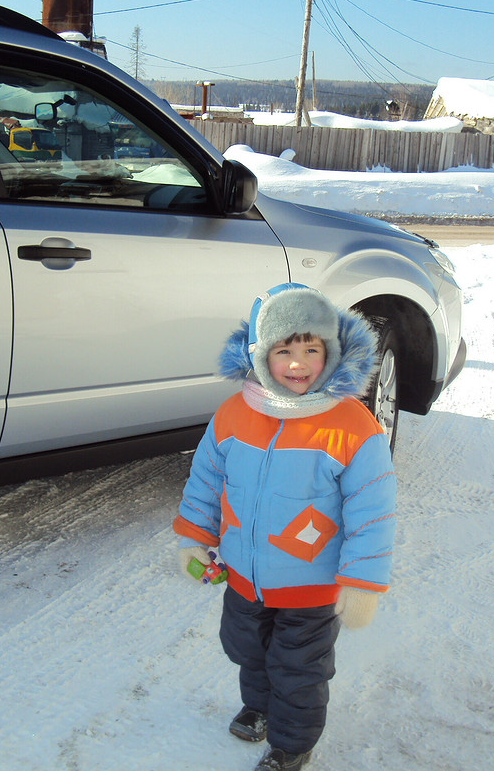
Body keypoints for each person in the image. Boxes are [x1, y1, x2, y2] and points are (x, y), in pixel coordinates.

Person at [174, 283, 398, 771]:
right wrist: (196, 538)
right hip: (244, 574)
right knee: (248, 650)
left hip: (311, 584)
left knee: (298, 670)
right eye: (284, 350)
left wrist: (362, 582)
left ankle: (292, 745)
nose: (297, 364)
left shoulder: (352, 425)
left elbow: (373, 509)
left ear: (331, 351)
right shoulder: (236, 414)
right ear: (260, 354)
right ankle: (259, 707)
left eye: (311, 350)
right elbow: (207, 480)